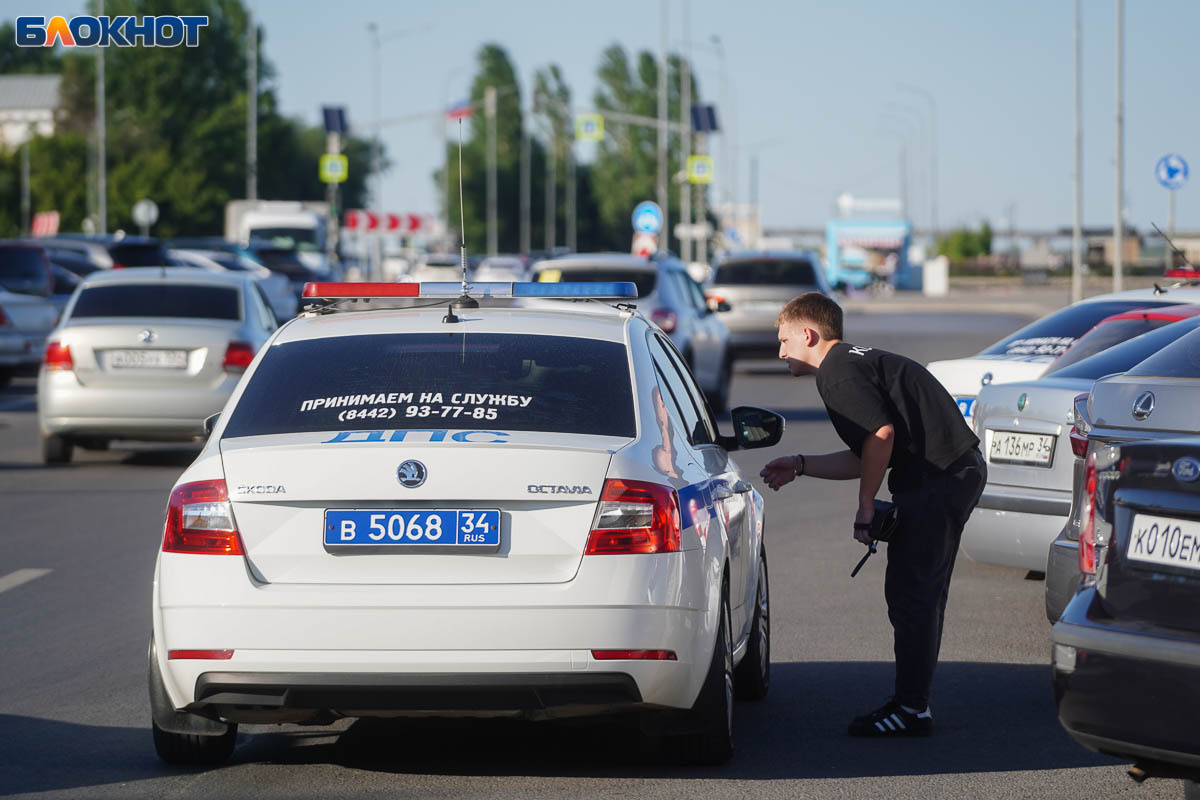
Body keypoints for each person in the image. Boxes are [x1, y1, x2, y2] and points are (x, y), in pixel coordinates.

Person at [759, 292, 986, 738]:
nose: (780, 351)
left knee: (912, 597)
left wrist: (866, 507)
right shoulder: (852, 363)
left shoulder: (838, 372)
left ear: (809, 334)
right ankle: (911, 703)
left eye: (784, 339)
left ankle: (911, 709)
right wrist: (802, 464)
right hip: (949, 474)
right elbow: (867, 452)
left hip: (940, 478)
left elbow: (879, 436)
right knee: (915, 596)